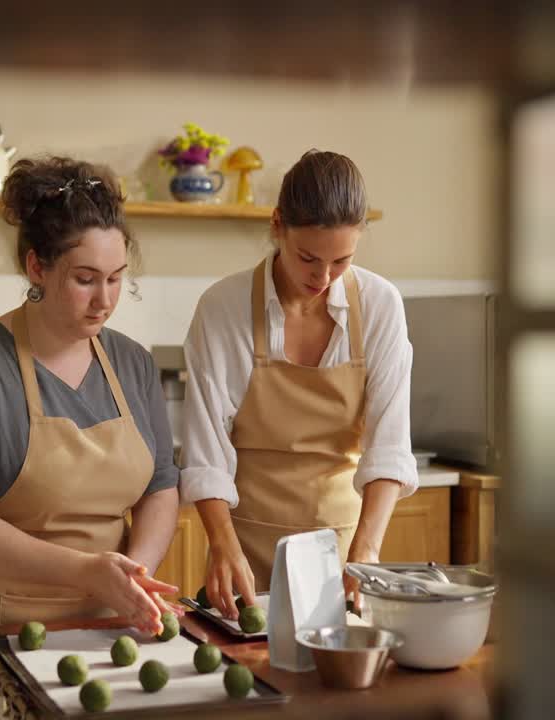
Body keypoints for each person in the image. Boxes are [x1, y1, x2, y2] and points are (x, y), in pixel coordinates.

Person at [0, 156, 182, 718]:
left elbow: (160, 487)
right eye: (84, 280)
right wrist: (88, 571)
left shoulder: (131, 364)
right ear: (37, 266)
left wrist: (134, 578)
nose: (104, 300)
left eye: (115, 279)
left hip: (103, 619)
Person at [179, 149, 419, 618]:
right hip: (244, 551)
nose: (323, 277)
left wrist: (366, 554)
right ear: (276, 226)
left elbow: (389, 446)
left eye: (342, 260)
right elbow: (205, 452)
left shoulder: (380, 305)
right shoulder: (223, 306)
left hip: (343, 549)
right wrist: (222, 546)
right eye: (308, 258)